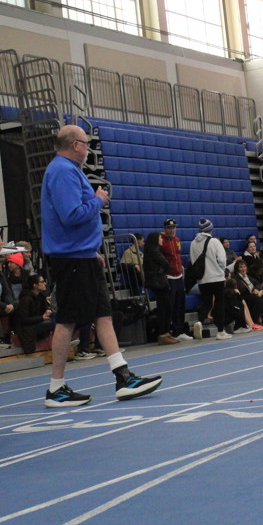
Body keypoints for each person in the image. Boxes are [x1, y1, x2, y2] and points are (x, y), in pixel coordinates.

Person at [41, 125, 162, 407]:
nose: (88, 148)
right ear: (74, 145)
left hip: (81, 255)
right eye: (85, 143)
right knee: (67, 320)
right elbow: (71, 215)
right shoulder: (62, 171)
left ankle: (123, 376)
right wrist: (98, 200)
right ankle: (56, 387)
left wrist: (90, 249)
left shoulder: (68, 170)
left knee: (103, 315)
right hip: (72, 258)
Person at [190, 219, 231, 340]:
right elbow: (222, 260)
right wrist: (221, 271)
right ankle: (220, 331)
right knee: (219, 303)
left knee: (207, 303)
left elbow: (193, 261)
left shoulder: (193, 243)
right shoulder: (215, 242)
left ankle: (200, 321)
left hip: (202, 279)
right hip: (216, 277)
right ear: (210, 229)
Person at [143, 232, 179, 345]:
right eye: (160, 238)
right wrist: (161, 272)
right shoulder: (155, 251)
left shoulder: (149, 251)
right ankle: (163, 334)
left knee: (165, 307)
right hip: (159, 282)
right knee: (164, 308)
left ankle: (165, 333)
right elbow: (165, 263)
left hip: (155, 282)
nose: (161, 240)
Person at [160, 219, 192, 342]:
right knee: (170, 306)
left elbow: (177, 256)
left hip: (178, 276)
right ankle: (168, 332)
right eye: (169, 228)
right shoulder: (161, 241)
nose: (172, 230)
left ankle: (179, 331)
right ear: (165, 229)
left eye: (174, 227)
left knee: (180, 304)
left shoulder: (177, 240)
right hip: (168, 277)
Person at [13, 274, 54, 354]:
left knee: (56, 316)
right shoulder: (26, 299)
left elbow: (45, 308)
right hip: (28, 327)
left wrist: (48, 311)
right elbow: (23, 319)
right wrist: (42, 317)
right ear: (35, 285)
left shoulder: (41, 296)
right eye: (42, 282)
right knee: (53, 323)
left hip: (37, 322)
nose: (45, 283)